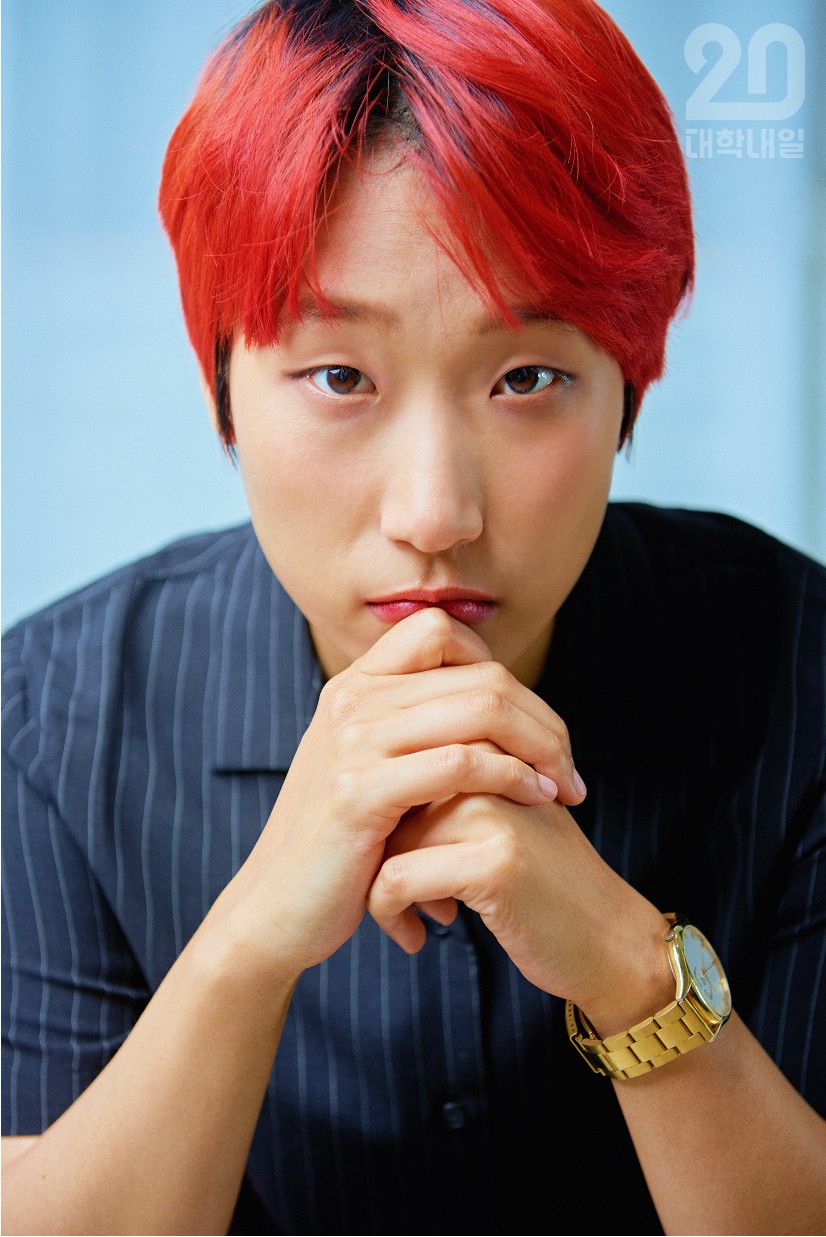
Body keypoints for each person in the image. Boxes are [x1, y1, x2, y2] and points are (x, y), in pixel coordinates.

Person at [2, 0, 825, 1233]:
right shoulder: (48, 723)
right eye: (339, 376)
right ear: (220, 386)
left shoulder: (799, 669)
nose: (433, 511)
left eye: (526, 377)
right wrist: (248, 944)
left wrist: (631, 969)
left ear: (630, 385)